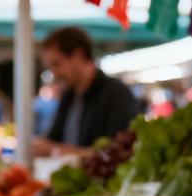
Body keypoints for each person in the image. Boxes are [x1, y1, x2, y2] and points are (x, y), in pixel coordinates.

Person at [33, 26, 138, 157]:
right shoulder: (69, 96)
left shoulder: (117, 95)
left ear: (79, 55)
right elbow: (52, 138)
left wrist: (55, 150)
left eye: (56, 64)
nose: (54, 74)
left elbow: (117, 153)